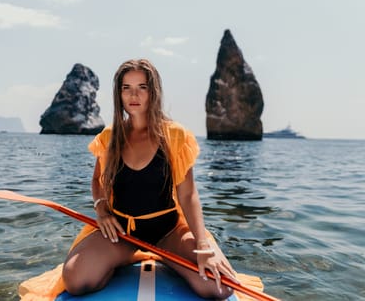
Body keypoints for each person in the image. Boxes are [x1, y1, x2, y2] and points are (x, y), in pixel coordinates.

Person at [61, 58, 238, 300]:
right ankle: (129, 255)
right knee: (76, 281)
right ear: (119, 93)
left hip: (168, 232)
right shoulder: (110, 137)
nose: (134, 94)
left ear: (153, 91)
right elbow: (97, 181)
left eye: (142, 87)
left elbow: (188, 195)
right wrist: (102, 210)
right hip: (121, 233)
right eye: (126, 88)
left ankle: (162, 254)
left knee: (220, 287)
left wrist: (203, 245)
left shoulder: (175, 136)